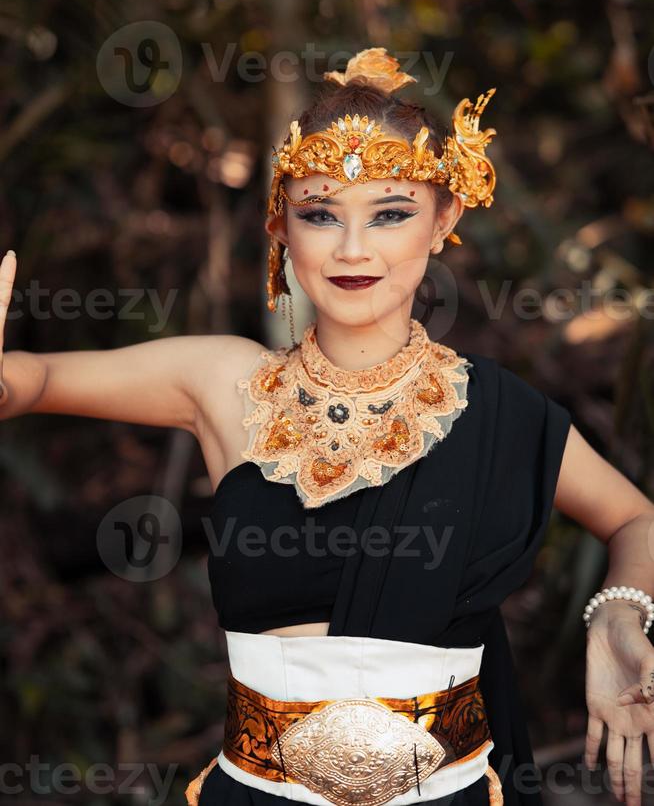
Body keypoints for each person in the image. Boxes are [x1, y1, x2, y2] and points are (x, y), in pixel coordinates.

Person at [1, 48, 653, 806]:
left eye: (390, 212)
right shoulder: (223, 382)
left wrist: (617, 612)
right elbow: (33, 381)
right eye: (319, 214)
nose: (352, 249)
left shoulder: (498, 411)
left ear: (444, 220)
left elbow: (636, 517)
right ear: (281, 225)